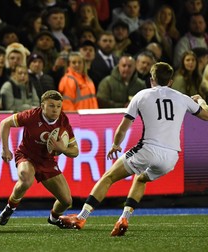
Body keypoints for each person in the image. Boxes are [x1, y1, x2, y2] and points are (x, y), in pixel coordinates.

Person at [61, 62, 208, 236]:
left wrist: (116, 144)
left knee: (108, 177)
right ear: (170, 81)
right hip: (171, 156)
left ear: (151, 79)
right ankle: (124, 218)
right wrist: (201, 100)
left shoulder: (141, 95)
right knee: (141, 179)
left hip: (148, 149)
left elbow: (124, 127)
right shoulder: (182, 97)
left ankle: (81, 217)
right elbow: (206, 115)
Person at [0, 90, 79, 228]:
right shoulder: (31, 116)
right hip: (26, 155)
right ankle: (10, 208)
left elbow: (75, 151)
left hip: (47, 161)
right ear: (42, 106)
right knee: (26, 178)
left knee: (66, 201)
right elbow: (5, 123)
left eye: (59, 106)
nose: (56, 110)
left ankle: (53, 219)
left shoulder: (63, 121)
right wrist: (5, 149)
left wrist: (63, 148)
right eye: (51, 106)